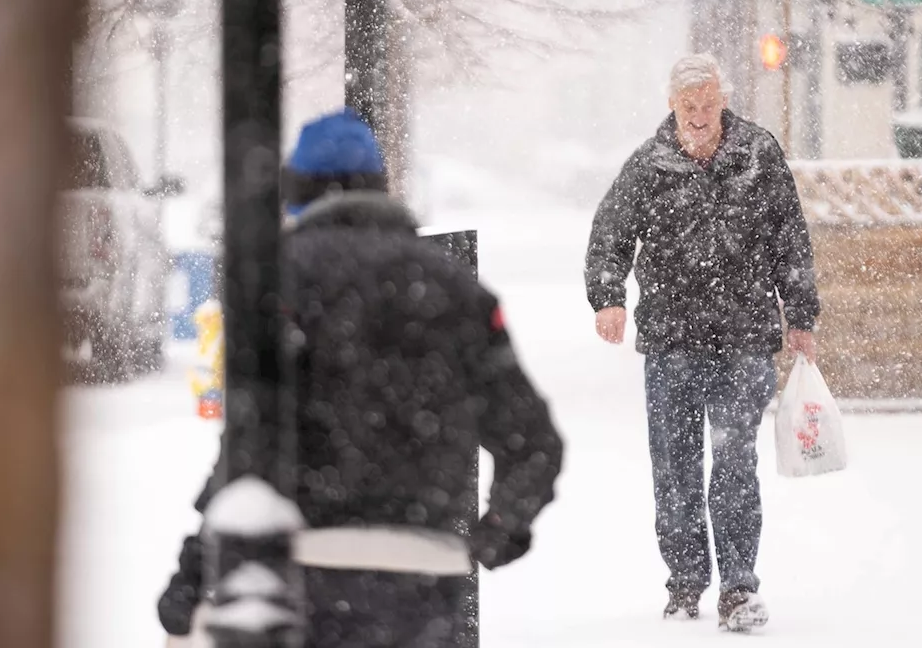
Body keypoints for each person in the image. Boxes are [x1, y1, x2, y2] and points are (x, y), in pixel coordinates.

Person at [159, 107, 564, 647]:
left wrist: (193, 573)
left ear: (295, 190)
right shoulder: (457, 289)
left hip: (305, 574)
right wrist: (498, 533)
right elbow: (532, 441)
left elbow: (250, 444)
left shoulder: (277, 281)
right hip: (428, 581)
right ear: (380, 186)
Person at [584, 53, 820, 632]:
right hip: (671, 342)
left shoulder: (758, 155)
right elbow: (609, 234)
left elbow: (790, 236)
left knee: (735, 460)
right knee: (675, 466)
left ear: (723, 101)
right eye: (688, 105)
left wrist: (801, 312)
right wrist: (608, 296)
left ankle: (738, 589)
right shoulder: (649, 164)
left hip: (742, 339)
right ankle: (686, 583)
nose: (698, 115)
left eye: (707, 103)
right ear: (672, 104)